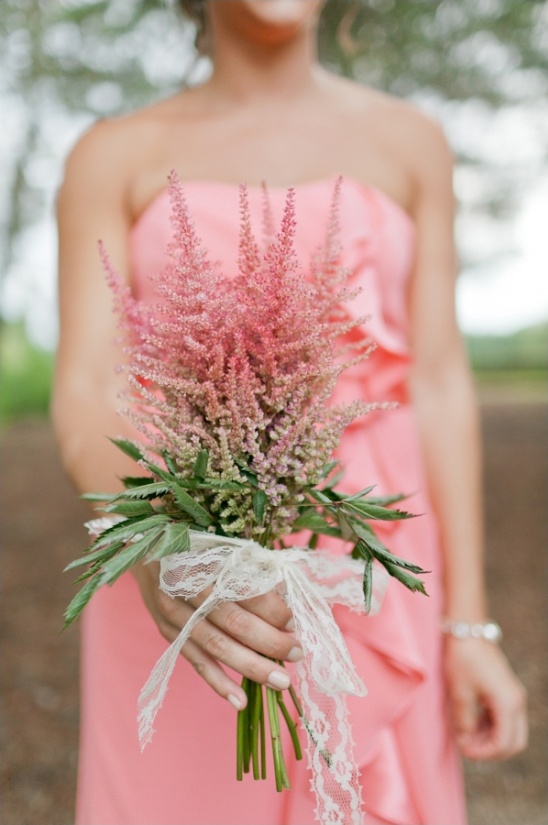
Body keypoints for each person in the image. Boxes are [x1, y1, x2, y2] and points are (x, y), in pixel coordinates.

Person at [52, 2, 528, 824]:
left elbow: (440, 383)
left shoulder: (411, 140)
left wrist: (468, 625)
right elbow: (87, 385)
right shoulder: (111, 153)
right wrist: (156, 537)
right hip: (183, 554)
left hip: (377, 557)